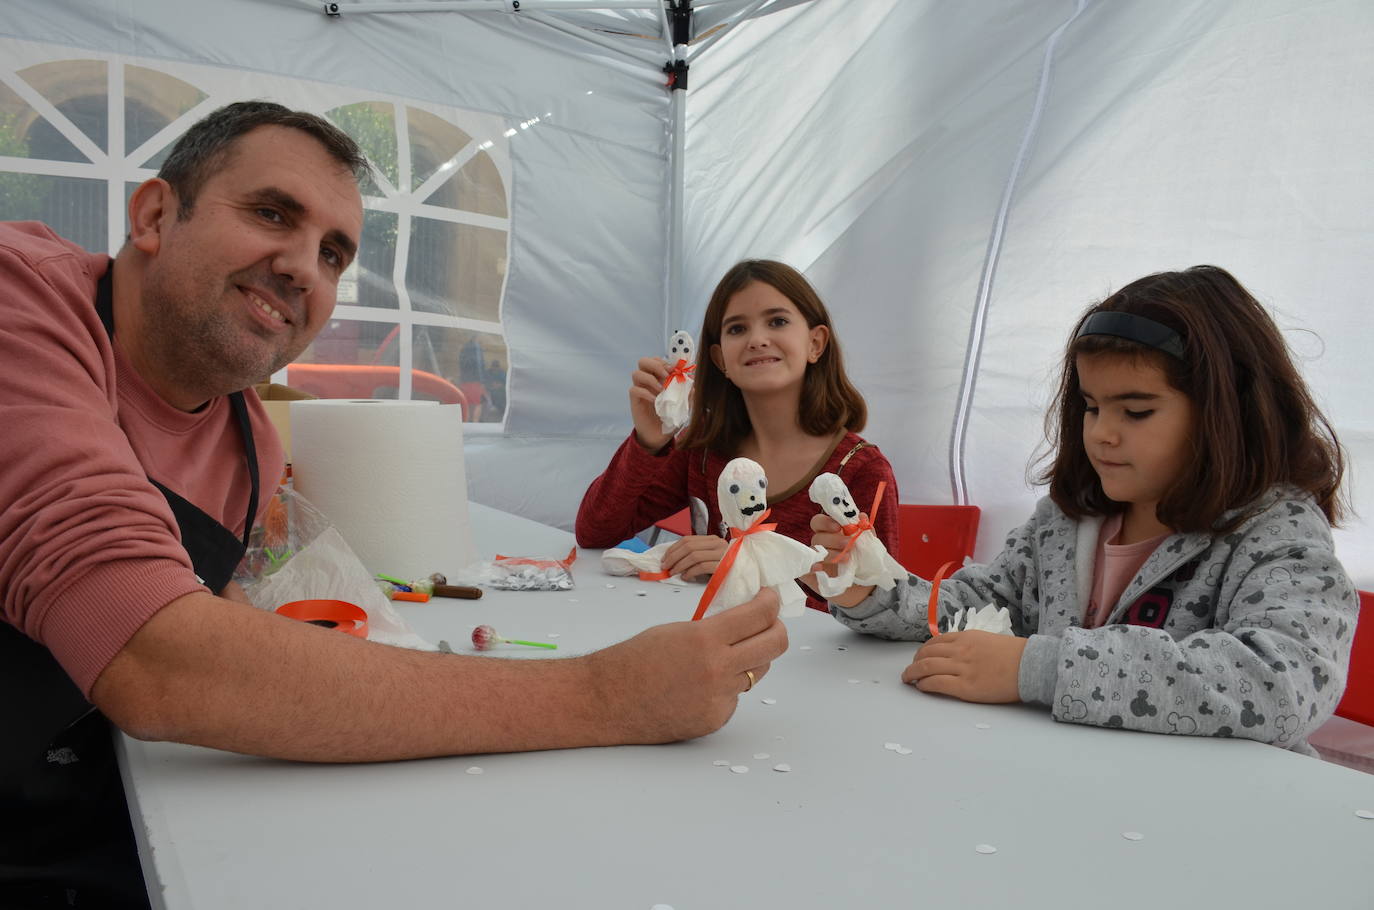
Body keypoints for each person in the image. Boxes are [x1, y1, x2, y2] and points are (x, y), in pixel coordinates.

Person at [0, 102, 786, 908]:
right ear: (156, 214)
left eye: (335, 254)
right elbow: (156, 656)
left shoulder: (252, 445)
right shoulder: (19, 302)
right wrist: (607, 695)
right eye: (272, 213)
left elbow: (226, 616)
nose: (306, 268)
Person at [814, 266, 1356, 754]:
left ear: (1227, 413)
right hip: (1069, 787)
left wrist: (1037, 669)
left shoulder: (1276, 532)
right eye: (1092, 407)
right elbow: (983, 604)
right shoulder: (1066, 520)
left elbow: (1284, 681)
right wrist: (873, 593)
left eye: (1136, 411)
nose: (1101, 434)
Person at [576, 260, 899, 611]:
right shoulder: (701, 452)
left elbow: (879, 609)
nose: (757, 340)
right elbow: (595, 532)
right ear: (719, 360)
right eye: (736, 329)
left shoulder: (861, 470)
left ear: (815, 343)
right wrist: (649, 443)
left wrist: (743, 567)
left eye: (777, 321)